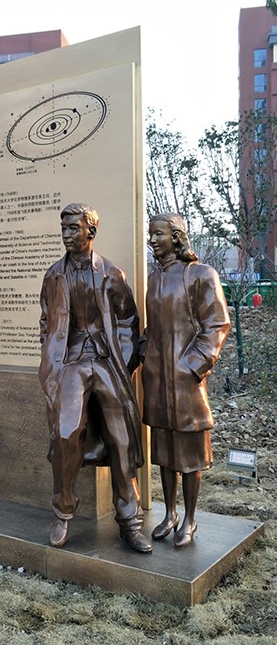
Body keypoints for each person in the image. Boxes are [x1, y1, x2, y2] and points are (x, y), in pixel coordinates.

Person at [39, 203, 152, 553]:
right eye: (64, 228)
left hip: (107, 360)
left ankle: (130, 521)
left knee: (122, 437)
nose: (66, 235)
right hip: (71, 361)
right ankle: (63, 511)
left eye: (73, 228)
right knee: (66, 432)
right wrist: (53, 357)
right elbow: (46, 321)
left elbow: (128, 320)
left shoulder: (112, 273)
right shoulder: (53, 275)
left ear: (91, 231)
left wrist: (124, 361)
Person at [141, 213, 230, 548]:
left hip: (187, 382)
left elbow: (217, 325)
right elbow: (153, 328)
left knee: (190, 455)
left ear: (176, 237)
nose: (152, 240)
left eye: (158, 234)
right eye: (151, 234)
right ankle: (170, 514)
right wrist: (143, 354)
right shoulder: (154, 279)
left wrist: (192, 367)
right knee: (165, 452)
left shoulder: (202, 275)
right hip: (158, 381)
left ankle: (190, 519)